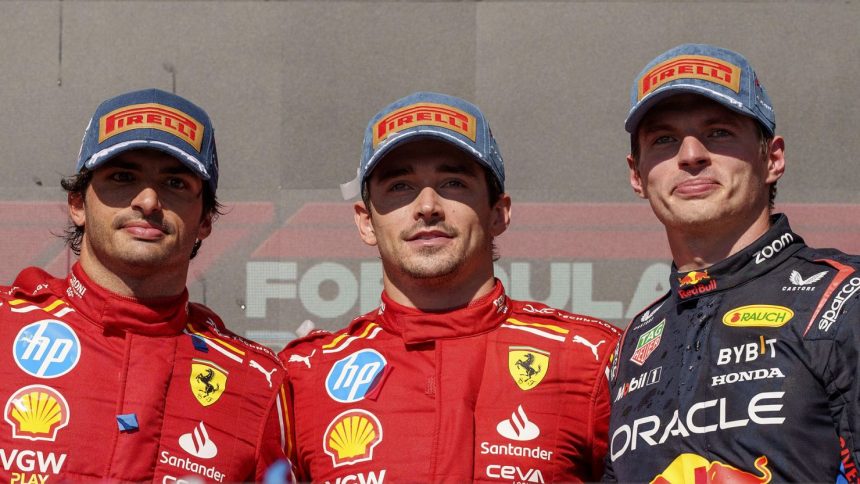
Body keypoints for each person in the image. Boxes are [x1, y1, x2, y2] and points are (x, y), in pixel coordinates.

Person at [279, 91, 621, 483]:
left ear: (498, 213)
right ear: (365, 222)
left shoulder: (591, 359)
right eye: (400, 186)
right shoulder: (302, 377)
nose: (427, 206)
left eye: (453, 182)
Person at [0, 89, 291, 482]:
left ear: (206, 218)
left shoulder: (257, 381)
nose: (149, 200)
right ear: (77, 204)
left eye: (175, 182)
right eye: (123, 177)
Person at [604, 44, 860, 483]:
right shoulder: (634, 343)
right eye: (664, 140)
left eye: (719, 132)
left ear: (772, 158)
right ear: (637, 174)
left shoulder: (843, 297)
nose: (690, 156)